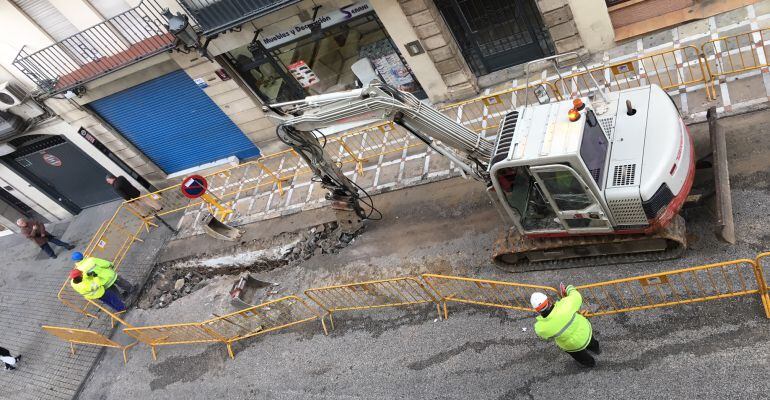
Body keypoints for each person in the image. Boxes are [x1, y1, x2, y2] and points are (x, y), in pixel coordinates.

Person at [531, 283, 601, 367]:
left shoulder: (541, 327)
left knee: (580, 356)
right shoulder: (565, 304)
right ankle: (596, 349)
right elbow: (577, 296)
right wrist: (569, 288)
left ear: (537, 311)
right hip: (585, 332)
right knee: (592, 342)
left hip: (572, 346)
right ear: (549, 300)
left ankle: (590, 363)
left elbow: (545, 336)